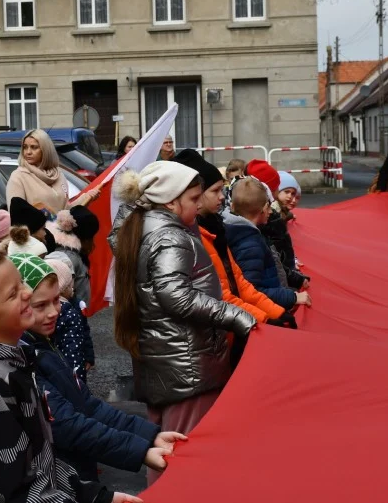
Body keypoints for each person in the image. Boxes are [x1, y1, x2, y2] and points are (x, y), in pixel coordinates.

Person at [0, 245, 141, 503]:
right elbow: (19, 491)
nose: (28, 292)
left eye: (22, 283)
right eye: (13, 294)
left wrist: (95, 496)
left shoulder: (13, 364)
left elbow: (40, 461)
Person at [109, 161, 255, 483]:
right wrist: (238, 317)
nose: (199, 203)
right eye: (193, 198)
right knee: (183, 456)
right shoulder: (169, 236)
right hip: (186, 366)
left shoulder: (142, 227)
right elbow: (177, 296)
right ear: (171, 201)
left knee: (164, 451)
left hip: (166, 361)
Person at [14, 254, 184, 482]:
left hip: (72, 477)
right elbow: (66, 425)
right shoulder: (22, 359)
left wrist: (150, 436)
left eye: (56, 300)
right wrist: (140, 451)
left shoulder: (43, 345)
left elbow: (89, 406)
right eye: (40, 305)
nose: (54, 311)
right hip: (55, 481)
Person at [172, 150, 294, 328]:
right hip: (210, 334)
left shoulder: (216, 228)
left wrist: (274, 312)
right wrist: (263, 318)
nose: (222, 196)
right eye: (215, 191)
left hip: (229, 325)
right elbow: (218, 296)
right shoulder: (192, 238)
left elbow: (240, 283)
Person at [223, 178, 312, 311]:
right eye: (269, 206)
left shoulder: (245, 234)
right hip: (267, 310)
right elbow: (253, 291)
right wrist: (292, 297)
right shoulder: (250, 244)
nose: (271, 212)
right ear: (263, 209)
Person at [6, 128, 99, 217]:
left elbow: (65, 211)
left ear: (46, 150)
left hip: (62, 232)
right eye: (25, 147)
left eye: (34, 147)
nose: (28, 152)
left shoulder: (58, 174)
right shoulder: (18, 177)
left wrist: (86, 197)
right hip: (37, 233)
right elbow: (17, 217)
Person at [45, 258, 95, 381]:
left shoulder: (38, 309)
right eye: (69, 285)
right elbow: (74, 350)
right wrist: (78, 383)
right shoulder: (70, 313)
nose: (72, 288)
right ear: (62, 286)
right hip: (70, 377)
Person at [46, 206, 99, 309]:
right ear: (85, 238)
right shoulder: (68, 257)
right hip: (71, 315)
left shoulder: (72, 253)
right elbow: (59, 290)